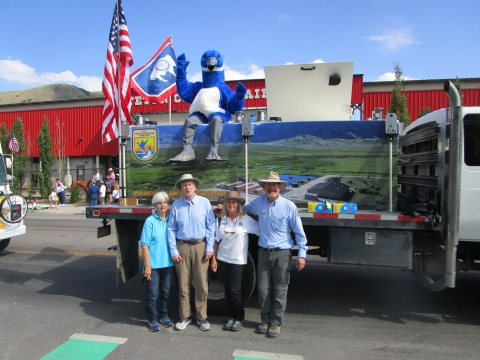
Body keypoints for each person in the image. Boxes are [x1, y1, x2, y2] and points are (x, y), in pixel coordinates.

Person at [243, 171, 308, 339]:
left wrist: (302, 254)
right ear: (264, 187)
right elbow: (243, 208)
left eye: (274, 185)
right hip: (263, 252)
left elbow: (299, 233)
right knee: (263, 289)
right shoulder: (258, 203)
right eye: (268, 184)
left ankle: (276, 323)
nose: (271, 187)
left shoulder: (289, 206)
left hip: (282, 253)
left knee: (280, 289)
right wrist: (227, 209)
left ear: (279, 187)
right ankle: (264, 321)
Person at [168, 50, 246, 162]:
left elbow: (233, 107)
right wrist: (181, 73)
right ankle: (187, 150)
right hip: (199, 114)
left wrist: (239, 96)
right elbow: (185, 91)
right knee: (190, 121)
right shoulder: (199, 87)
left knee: (216, 119)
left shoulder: (223, 89)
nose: (211, 62)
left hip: (216, 112)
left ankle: (214, 149)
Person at [167, 174, 216, 331]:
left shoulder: (204, 203)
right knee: (183, 284)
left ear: (195, 187)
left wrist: (209, 248)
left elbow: (211, 226)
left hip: (200, 246)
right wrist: (174, 250)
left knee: (201, 284)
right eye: (184, 185)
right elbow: (171, 228)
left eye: (190, 185)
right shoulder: (176, 205)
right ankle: (185, 316)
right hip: (182, 247)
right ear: (181, 188)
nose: (187, 187)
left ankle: (202, 318)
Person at [210, 191, 259, 332]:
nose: (231, 204)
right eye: (229, 202)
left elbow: (262, 231)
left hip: (238, 261)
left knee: (235, 290)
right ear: (225, 204)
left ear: (238, 205)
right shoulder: (221, 219)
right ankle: (230, 316)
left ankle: (239, 318)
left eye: (234, 202)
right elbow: (216, 241)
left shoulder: (246, 219)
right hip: (223, 259)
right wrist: (214, 259)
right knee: (227, 290)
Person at [140, 191, 175, 332]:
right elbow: (144, 245)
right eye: (160, 203)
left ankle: (164, 315)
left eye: (165, 202)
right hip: (153, 265)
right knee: (153, 293)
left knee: (166, 292)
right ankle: (152, 318)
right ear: (155, 205)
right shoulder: (150, 221)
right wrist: (147, 266)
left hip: (168, 264)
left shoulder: (170, 220)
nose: (163, 205)